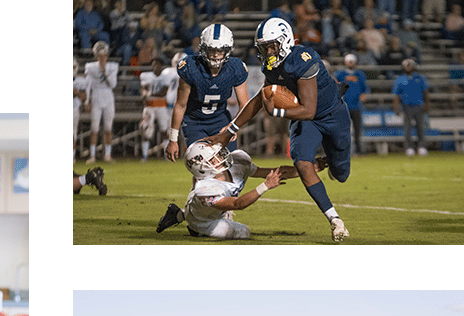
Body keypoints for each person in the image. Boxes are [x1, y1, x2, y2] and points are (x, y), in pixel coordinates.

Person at [209, 17, 353, 242]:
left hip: (333, 116)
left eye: (271, 46)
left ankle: (334, 167)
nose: (267, 51)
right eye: (263, 47)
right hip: (308, 121)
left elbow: (309, 109)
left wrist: (276, 112)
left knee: (341, 174)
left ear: (284, 41)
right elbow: (260, 99)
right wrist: (231, 129)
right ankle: (335, 220)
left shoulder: (304, 59)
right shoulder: (272, 65)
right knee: (303, 164)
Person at [155, 140, 320, 239]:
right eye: (214, 159)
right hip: (205, 222)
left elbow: (272, 171)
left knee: (205, 209)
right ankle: (194, 228)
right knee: (243, 232)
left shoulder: (238, 163)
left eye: (218, 154)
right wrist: (265, 186)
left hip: (201, 208)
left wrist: (309, 169)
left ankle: (177, 214)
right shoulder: (206, 188)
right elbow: (237, 204)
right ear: (204, 168)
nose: (221, 156)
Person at [165, 23, 249, 163]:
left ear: (228, 50)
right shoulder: (191, 67)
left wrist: (234, 126)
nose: (216, 54)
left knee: (230, 167)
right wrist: (173, 139)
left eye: (220, 50)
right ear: (203, 49)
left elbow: (245, 104)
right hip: (194, 122)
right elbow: (180, 105)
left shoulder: (235, 68)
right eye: (211, 50)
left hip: (221, 121)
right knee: (203, 167)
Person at [84, 41, 119, 163]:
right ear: (96, 56)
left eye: (104, 55)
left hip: (108, 96)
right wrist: (87, 100)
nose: (102, 57)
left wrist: (104, 71)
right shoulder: (90, 67)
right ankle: (92, 155)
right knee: (94, 128)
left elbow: (113, 84)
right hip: (96, 96)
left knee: (108, 127)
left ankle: (107, 155)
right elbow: (88, 85)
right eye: (100, 55)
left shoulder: (112, 66)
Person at [392, 58, 430, 156]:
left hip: (419, 105)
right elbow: (396, 95)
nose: (408, 67)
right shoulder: (400, 79)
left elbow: (426, 93)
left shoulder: (420, 78)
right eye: (406, 65)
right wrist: (396, 107)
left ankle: (421, 147)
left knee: (420, 128)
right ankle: (409, 148)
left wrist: (427, 104)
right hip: (407, 106)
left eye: (410, 65)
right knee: (407, 128)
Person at [139, 56, 175, 160]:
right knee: (146, 130)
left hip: (161, 106)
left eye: (157, 64)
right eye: (153, 64)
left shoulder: (165, 77)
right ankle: (144, 155)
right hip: (149, 107)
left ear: (161, 66)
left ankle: (166, 155)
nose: (155, 67)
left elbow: (163, 92)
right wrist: (144, 94)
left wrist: (149, 94)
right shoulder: (146, 76)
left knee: (164, 131)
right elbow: (142, 91)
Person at [335, 54, 369, 155]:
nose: (350, 63)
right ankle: (343, 150)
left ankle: (359, 150)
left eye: (352, 61)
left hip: (357, 105)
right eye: (349, 61)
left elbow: (365, 88)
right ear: (345, 62)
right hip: (343, 106)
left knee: (358, 129)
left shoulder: (360, 74)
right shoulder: (340, 74)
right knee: (343, 129)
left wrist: (364, 95)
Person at [74, 58, 89, 159]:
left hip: (73, 108)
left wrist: (77, 93)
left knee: (72, 134)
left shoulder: (80, 81)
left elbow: (84, 97)